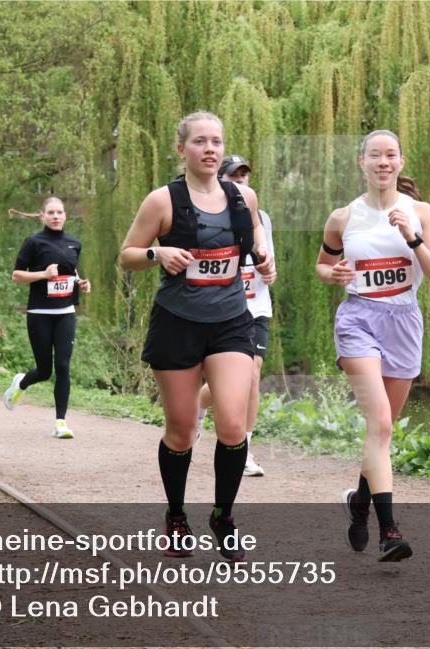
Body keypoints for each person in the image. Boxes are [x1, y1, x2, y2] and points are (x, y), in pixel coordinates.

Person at [119, 111, 274, 562]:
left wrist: (262, 256)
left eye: (217, 142)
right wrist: (157, 251)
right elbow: (127, 256)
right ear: (182, 149)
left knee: (232, 423)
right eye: (200, 142)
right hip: (177, 323)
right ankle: (176, 515)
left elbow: (256, 230)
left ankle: (223, 517)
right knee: (182, 431)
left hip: (231, 321)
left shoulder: (242, 196)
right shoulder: (161, 201)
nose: (210, 149)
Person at [316, 129, 430, 562]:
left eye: (390, 155)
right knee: (383, 426)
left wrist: (412, 238)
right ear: (362, 162)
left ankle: (359, 501)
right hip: (359, 320)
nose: (383, 162)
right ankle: (389, 530)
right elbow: (323, 262)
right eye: (375, 155)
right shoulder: (343, 217)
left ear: (401, 162)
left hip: (404, 322)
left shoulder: (420, 212)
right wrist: (331, 274)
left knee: (382, 429)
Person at [197, 154, 276, 477]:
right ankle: (196, 406)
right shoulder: (207, 216)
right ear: (220, 181)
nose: (242, 182)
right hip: (222, 308)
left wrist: (269, 271)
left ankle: (243, 449)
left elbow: (268, 259)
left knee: (252, 376)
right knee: (225, 383)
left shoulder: (262, 218)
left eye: (245, 176)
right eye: (234, 177)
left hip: (256, 307)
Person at [2, 197, 91, 439]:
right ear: (42, 216)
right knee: (44, 370)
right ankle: (20, 384)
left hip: (65, 312)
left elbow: (71, 272)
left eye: (59, 212)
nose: (55, 216)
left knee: (62, 366)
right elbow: (16, 276)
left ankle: (60, 422)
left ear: (65, 216)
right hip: (40, 313)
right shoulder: (33, 242)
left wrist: (81, 282)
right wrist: (43, 274)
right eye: (50, 212)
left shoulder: (74, 243)